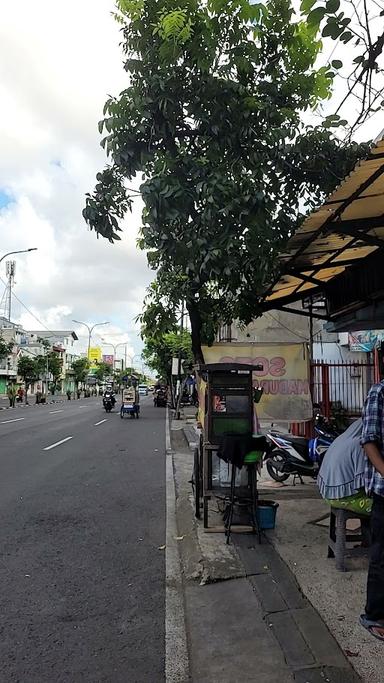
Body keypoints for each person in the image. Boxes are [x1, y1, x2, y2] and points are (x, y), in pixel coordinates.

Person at [359, 380, 384, 641]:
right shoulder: (379, 392)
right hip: (383, 490)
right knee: (381, 556)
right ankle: (374, 615)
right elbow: (368, 442)